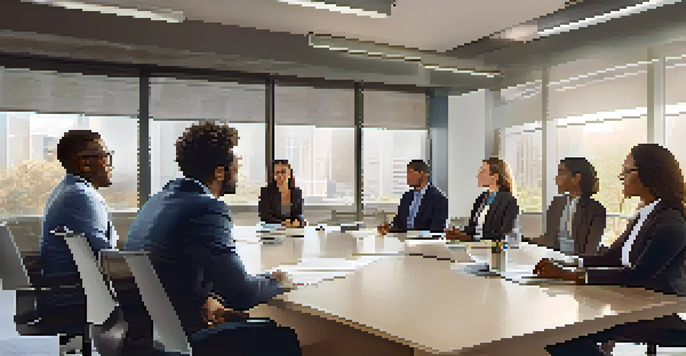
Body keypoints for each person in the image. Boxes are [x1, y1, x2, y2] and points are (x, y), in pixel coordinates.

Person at [124, 122, 301, 355]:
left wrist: (208, 298)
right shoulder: (207, 207)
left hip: (150, 335)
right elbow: (242, 293)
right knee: (281, 337)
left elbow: (173, 270)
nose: (238, 170)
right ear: (220, 172)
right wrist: (277, 281)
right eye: (235, 165)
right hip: (183, 340)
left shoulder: (156, 201)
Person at [534, 143, 686, 356]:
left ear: (649, 173)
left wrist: (569, 275)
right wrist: (567, 264)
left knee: (562, 336)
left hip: (656, 310)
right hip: (630, 300)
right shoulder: (644, 214)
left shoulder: (671, 221)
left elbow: (639, 274)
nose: (621, 177)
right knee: (557, 332)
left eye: (626, 171)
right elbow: (612, 257)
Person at [38, 129, 119, 320]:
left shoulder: (66, 190)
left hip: (64, 291)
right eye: (105, 156)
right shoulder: (81, 196)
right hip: (75, 296)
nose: (109, 164)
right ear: (85, 163)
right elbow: (107, 260)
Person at [524, 157, 606, 255]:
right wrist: (523, 240)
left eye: (561, 173)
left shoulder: (595, 210)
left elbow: (591, 250)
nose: (556, 178)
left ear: (576, 178)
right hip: (554, 260)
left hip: (577, 264)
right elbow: (549, 239)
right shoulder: (557, 203)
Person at [446, 157, 519, 241]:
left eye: (482, 172)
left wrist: (471, 238)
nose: (477, 176)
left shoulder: (509, 201)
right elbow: (473, 228)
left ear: (494, 177)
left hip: (494, 249)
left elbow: (504, 235)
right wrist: (458, 232)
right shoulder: (481, 198)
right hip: (476, 247)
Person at [377, 160, 448, 234]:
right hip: (403, 241)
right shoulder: (407, 197)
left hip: (424, 243)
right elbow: (398, 225)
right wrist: (388, 228)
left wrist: (414, 235)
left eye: (410, 172)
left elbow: (436, 231)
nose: (407, 177)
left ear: (422, 174)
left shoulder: (439, 200)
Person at [259, 159, 305, 227]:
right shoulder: (266, 192)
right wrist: (282, 223)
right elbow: (264, 216)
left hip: (291, 231)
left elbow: (299, 214)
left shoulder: (297, 193)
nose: (280, 175)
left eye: (283, 172)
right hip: (272, 232)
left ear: (289, 174)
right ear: (274, 176)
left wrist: (299, 221)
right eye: (277, 172)